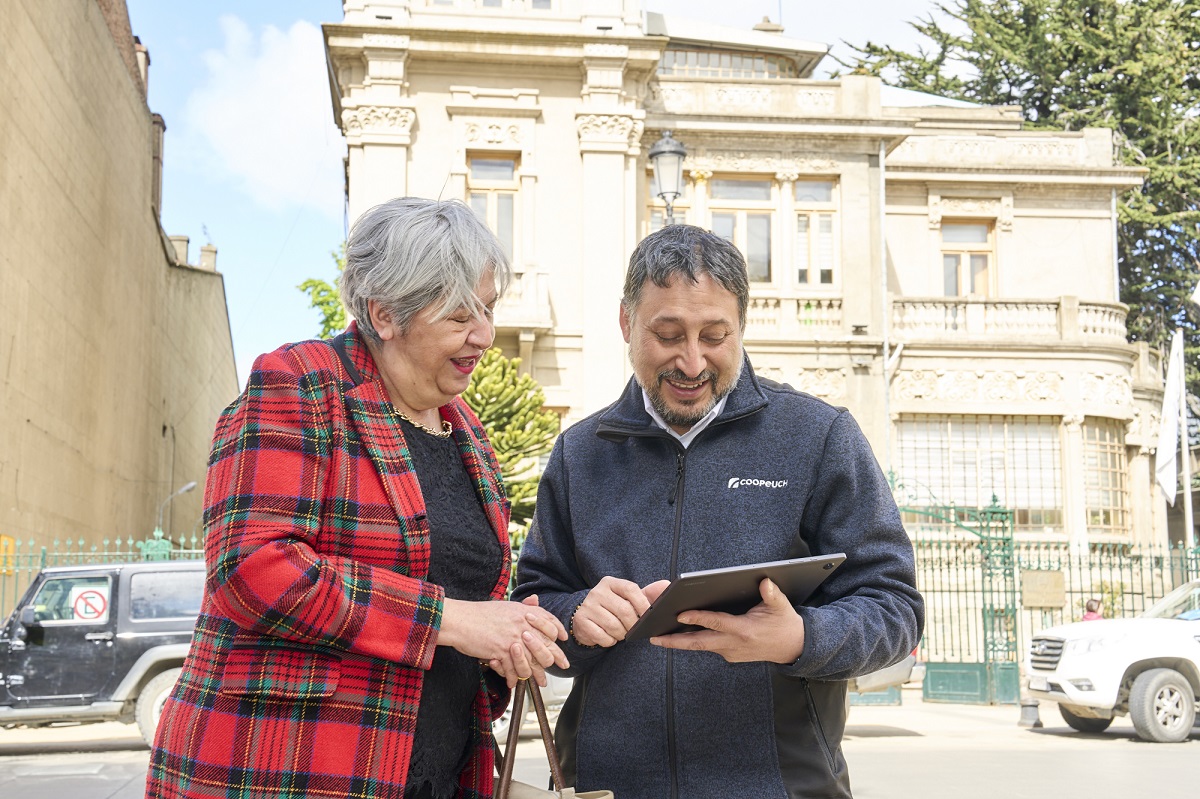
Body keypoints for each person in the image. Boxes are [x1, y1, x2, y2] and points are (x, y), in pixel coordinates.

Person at [146, 197, 569, 799]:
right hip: (290, 773)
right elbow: (251, 569)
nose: (484, 335)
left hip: (438, 775)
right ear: (384, 314)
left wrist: (501, 649)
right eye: (459, 316)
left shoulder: (467, 431)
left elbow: (465, 619)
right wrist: (450, 620)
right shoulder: (299, 384)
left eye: (489, 309)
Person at [513, 224, 924, 799]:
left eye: (714, 335)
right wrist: (576, 614)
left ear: (741, 328)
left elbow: (895, 608)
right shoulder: (581, 452)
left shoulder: (819, 435)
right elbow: (532, 604)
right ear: (626, 323)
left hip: (782, 786)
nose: (691, 361)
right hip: (609, 786)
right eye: (668, 334)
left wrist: (800, 636)